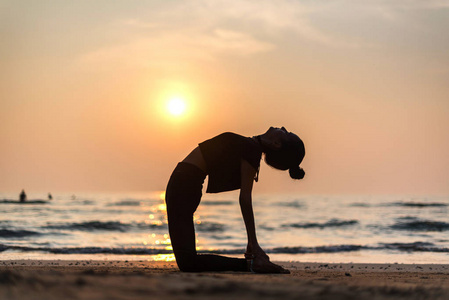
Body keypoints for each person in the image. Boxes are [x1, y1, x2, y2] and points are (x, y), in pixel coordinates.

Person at [165, 127, 305, 273]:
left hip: (184, 184)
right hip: (184, 184)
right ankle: (252, 264)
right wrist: (252, 243)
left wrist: (253, 242)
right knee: (188, 262)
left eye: (287, 133)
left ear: (276, 144)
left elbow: (245, 199)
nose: (283, 128)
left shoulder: (252, 150)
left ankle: (252, 265)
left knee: (188, 263)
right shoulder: (250, 146)